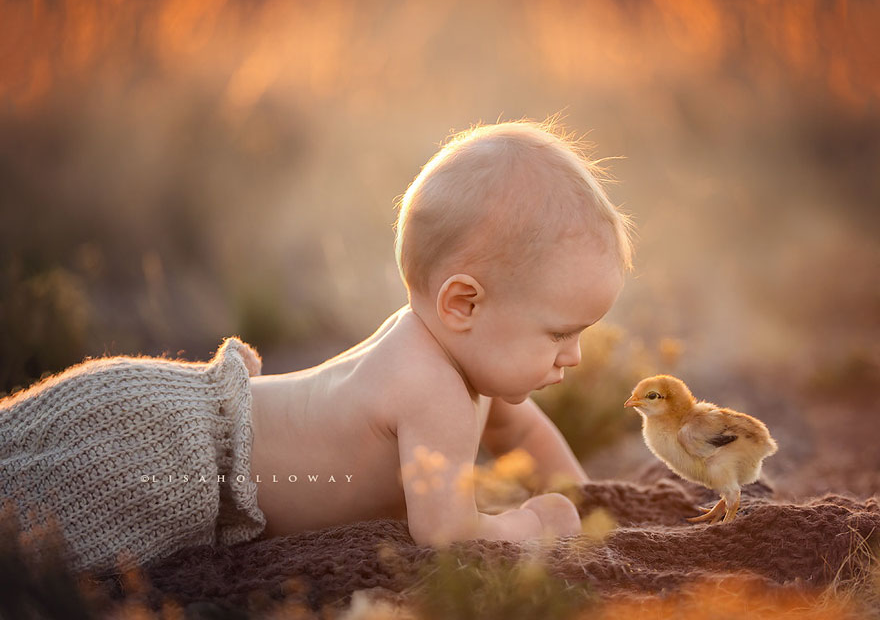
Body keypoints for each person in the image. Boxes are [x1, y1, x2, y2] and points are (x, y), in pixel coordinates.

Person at [0, 119, 633, 575]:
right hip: (173, 453)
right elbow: (446, 536)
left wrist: (592, 501)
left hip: (176, 416)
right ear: (463, 304)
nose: (574, 357)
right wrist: (537, 523)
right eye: (559, 333)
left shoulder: (453, 357)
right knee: (29, 516)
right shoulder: (431, 387)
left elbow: (524, 437)